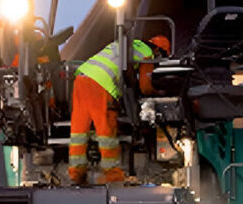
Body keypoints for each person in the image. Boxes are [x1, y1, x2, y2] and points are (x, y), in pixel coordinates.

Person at [68, 35, 170, 185]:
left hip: (82, 79)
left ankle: (76, 174)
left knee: (79, 131)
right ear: (158, 51)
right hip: (101, 84)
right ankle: (112, 175)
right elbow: (145, 86)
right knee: (106, 131)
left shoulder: (126, 44)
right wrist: (159, 92)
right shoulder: (146, 53)